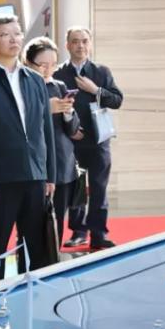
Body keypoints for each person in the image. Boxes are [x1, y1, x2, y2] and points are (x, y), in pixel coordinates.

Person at [0, 16, 56, 279]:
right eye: (5, 35)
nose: (13, 39)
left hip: (35, 175)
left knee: (35, 247)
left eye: (17, 33)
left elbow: (46, 130)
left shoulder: (34, 80)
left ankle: (33, 295)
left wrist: (50, 175)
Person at [53, 26, 124, 250]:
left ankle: (99, 234)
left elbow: (117, 100)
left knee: (98, 188)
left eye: (84, 41)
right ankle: (79, 232)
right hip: (70, 141)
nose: (80, 46)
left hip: (98, 140)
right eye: (75, 41)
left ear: (90, 44)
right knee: (77, 189)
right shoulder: (58, 74)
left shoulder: (101, 72)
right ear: (67, 45)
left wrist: (96, 91)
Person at [24, 36, 80, 246]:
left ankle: (53, 257)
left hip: (61, 161)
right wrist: (46, 109)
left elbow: (73, 129)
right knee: (31, 221)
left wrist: (67, 112)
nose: (48, 70)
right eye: (43, 65)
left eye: (53, 64)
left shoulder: (59, 86)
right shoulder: (23, 87)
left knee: (56, 221)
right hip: (34, 163)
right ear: (28, 63)